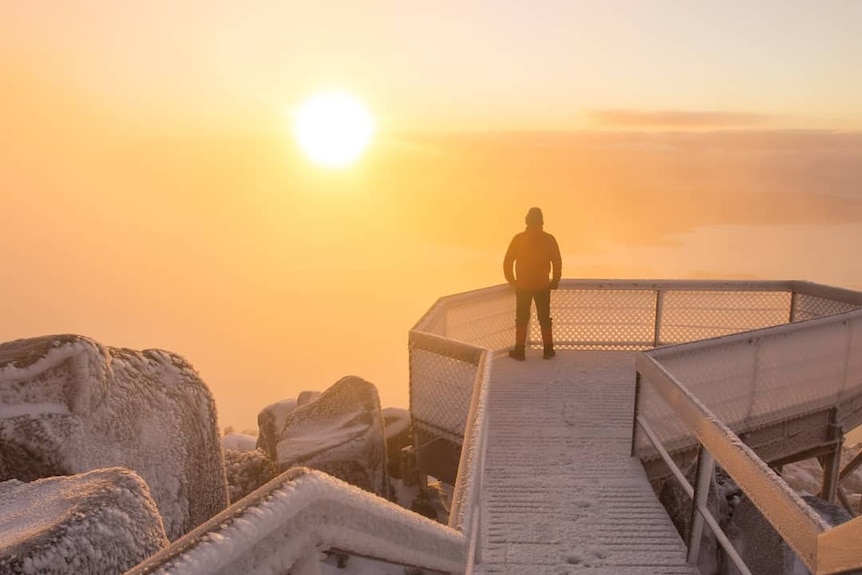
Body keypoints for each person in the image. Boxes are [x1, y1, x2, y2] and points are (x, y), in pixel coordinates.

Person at [502, 207, 562, 360]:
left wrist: (512, 280)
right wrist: (555, 280)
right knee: (544, 318)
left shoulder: (519, 239)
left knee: (522, 317)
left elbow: (508, 261)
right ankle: (548, 350)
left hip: (523, 285)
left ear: (526, 221)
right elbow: (556, 261)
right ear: (541, 221)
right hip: (542, 284)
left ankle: (520, 351)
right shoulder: (549, 239)